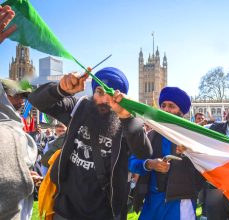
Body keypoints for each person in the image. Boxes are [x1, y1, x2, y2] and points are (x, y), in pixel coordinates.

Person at [28, 67, 152, 219]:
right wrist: (61, 89)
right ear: (93, 92)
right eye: (100, 92)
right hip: (65, 209)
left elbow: (144, 153)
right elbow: (35, 100)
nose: (105, 100)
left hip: (105, 212)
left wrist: (127, 119)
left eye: (111, 94)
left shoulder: (127, 120)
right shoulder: (78, 108)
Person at [130, 86, 205, 220]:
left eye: (171, 106)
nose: (166, 110)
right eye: (163, 105)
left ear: (181, 111)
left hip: (181, 203)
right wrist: (149, 164)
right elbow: (132, 162)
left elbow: (206, 165)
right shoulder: (151, 135)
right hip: (152, 203)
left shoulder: (193, 138)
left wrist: (191, 152)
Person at [0, 78, 38, 219]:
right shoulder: (5, 129)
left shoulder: (14, 124)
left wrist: (24, 174)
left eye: (23, 97)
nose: (21, 102)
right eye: (16, 96)